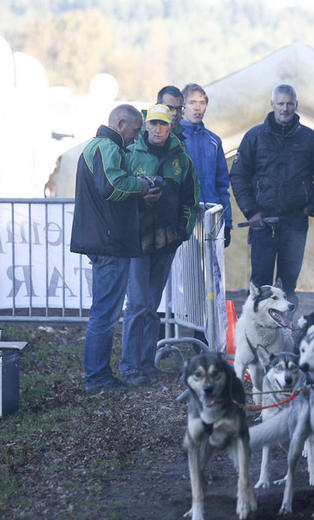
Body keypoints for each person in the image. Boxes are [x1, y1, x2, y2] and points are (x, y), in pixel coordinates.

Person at [229, 84, 314, 308]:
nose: (285, 108)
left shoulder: (310, 139)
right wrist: (251, 211)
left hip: (295, 223)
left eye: (289, 104)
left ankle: (287, 336)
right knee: (260, 285)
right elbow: (238, 176)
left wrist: (311, 208)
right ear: (272, 105)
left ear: (296, 105)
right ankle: (257, 337)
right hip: (262, 223)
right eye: (280, 103)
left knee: (288, 285)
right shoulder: (255, 137)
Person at [70, 104, 152, 392]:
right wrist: (142, 185)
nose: (138, 135)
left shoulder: (100, 146)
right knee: (104, 314)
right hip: (109, 243)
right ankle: (98, 379)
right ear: (120, 123)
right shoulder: (107, 146)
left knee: (103, 312)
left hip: (105, 240)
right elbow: (111, 187)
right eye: (136, 128)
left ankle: (99, 376)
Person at [119, 105, 200, 385]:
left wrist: (182, 233)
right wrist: (141, 198)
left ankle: (146, 362)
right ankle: (129, 367)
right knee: (137, 304)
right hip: (136, 242)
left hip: (166, 242)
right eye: (152, 123)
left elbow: (192, 202)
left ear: (170, 127)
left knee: (152, 306)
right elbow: (117, 193)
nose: (157, 129)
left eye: (162, 124)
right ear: (145, 126)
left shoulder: (182, 160)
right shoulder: (129, 154)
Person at [180, 83, 233, 246]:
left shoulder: (214, 141)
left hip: (212, 215)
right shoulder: (174, 139)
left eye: (202, 103)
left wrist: (228, 223)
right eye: (192, 102)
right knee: (186, 270)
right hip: (185, 217)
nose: (197, 108)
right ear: (183, 106)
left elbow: (222, 185)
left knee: (213, 270)